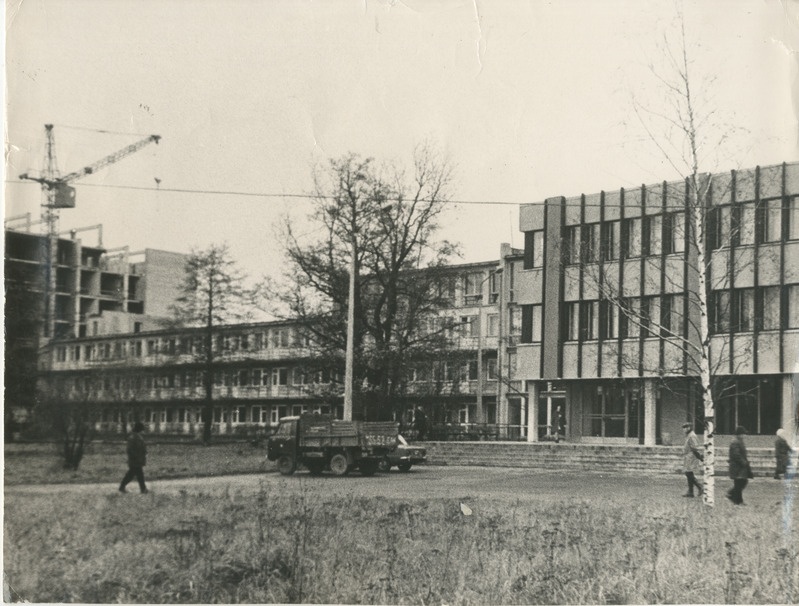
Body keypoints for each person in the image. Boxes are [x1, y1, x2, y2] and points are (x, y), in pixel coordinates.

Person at [119, 422, 148, 493]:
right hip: (135, 459)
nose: (142, 431)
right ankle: (143, 489)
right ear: (139, 430)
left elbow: (142, 448)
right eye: (142, 430)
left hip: (138, 459)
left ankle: (122, 487)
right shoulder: (133, 438)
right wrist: (136, 457)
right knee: (137, 474)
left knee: (132, 474)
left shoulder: (137, 437)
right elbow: (130, 449)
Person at [727, 426, 751, 505]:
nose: (745, 436)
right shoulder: (735, 442)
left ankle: (736, 499)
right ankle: (733, 496)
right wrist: (743, 462)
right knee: (740, 482)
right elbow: (736, 455)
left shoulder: (739, 441)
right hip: (737, 466)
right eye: (743, 434)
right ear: (739, 434)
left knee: (741, 482)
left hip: (739, 466)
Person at [681, 422, 704, 497]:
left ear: (689, 428)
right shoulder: (689, 435)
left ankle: (699, 487)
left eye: (685, 427)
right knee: (689, 473)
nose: (684, 429)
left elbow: (695, 448)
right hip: (688, 456)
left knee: (688, 473)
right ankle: (691, 492)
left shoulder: (692, 436)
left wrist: (699, 457)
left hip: (692, 456)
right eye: (683, 428)